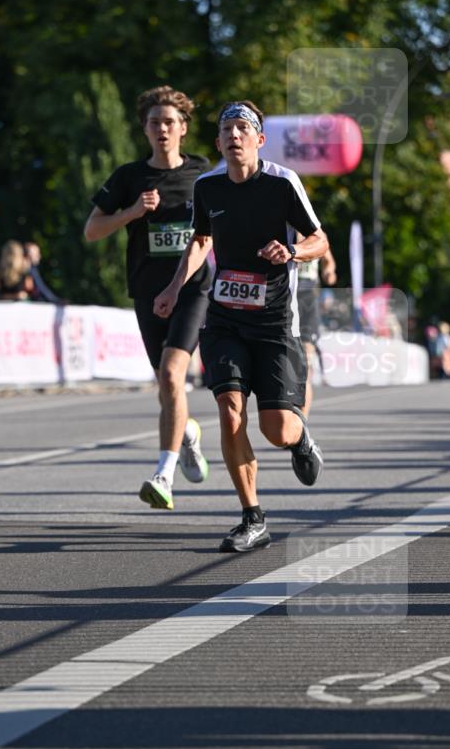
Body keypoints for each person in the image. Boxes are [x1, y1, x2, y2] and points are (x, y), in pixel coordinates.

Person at [154, 100, 329, 552]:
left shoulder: (282, 183)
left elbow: (318, 239)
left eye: (242, 128)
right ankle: (253, 517)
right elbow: (201, 240)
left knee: (277, 431)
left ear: (259, 139)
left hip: (274, 319)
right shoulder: (208, 187)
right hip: (225, 318)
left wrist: (292, 253)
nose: (234, 136)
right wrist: (175, 287)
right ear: (217, 142)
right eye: (226, 130)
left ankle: (299, 436)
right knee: (230, 411)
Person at [84, 86, 212, 511]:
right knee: (166, 385)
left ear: (184, 129)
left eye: (170, 122)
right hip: (146, 290)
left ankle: (163, 474)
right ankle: (187, 433)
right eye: (155, 122)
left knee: (174, 375)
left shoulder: (202, 173)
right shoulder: (129, 177)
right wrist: (132, 212)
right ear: (145, 128)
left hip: (193, 289)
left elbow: (218, 231)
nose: (163, 129)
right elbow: (92, 230)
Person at [296, 242, 337, 417]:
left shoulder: (315, 233)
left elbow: (328, 260)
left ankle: (302, 424)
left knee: (305, 363)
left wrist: (329, 272)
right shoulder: (277, 227)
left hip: (308, 300)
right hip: (284, 298)